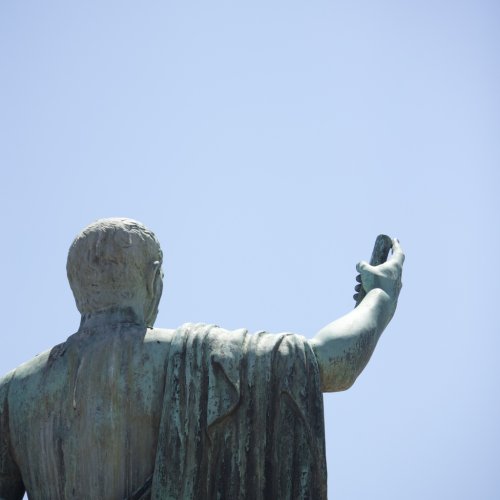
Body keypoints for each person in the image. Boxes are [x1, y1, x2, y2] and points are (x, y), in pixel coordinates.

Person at [0, 218, 404, 500]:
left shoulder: (12, 393)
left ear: (77, 288)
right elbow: (329, 363)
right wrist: (381, 296)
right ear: (153, 279)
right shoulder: (202, 357)